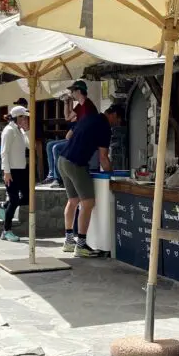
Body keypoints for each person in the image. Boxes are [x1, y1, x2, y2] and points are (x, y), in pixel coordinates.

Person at [58, 104, 124, 256]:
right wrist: (112, 176)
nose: (117, 124)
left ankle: (69, 241)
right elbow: (103, 158)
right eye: (118, 120)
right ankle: (81, 245)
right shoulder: (105, 127)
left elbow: (68, 136)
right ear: (113, 114)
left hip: (62, 159)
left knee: (73, 200)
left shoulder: (89, 116)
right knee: (88, 203)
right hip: (76, 163)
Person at [0, 105, 30, 242]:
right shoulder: (9, 130)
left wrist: (27, 130)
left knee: (27, 198)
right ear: (18, 117)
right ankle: (6, 230)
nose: (26, 119)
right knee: (14, 200)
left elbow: (30, 146)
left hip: (22, 169)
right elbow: (4, 152)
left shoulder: (20, 131)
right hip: (11, 170)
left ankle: (4, 206)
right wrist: (6, 172)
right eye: (24, 117)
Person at [41, 96, 77, 186]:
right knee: (49, 144)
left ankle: (59, 178)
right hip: (70, 139)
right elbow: (67, 116)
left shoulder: (80, 111)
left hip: (75, 140)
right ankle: (52, 174)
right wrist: (66, 101)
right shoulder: (76, 109)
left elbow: (68, 118)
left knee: (56, 148)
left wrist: (68, 101)